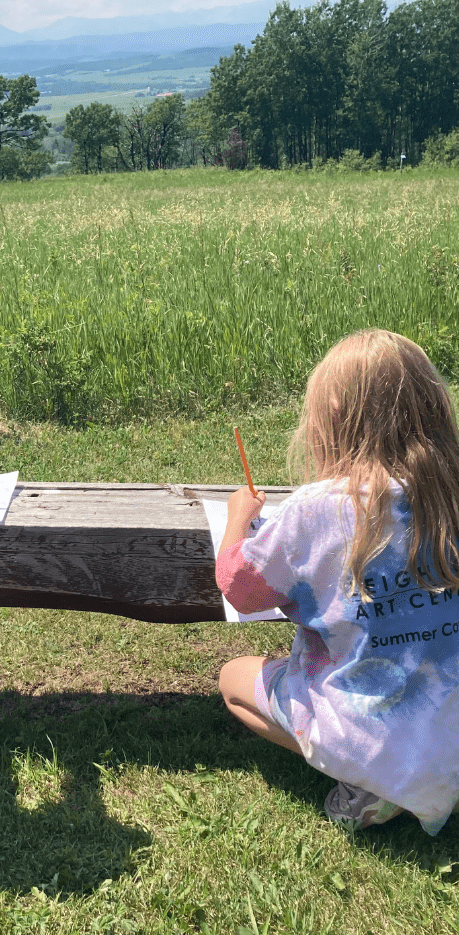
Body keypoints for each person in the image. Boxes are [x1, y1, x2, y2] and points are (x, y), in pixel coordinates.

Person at [217, 329, 459, 833]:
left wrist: (239, 517)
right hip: (450, 723)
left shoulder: (316, 509)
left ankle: (369, 781)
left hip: (369, 726)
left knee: (232, 679)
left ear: (330, 413)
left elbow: (240, 586)